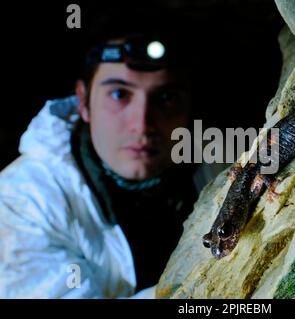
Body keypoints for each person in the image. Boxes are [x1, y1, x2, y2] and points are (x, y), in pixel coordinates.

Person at [0, 8, 201, 298]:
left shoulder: (218, 167)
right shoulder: (23, 201)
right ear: (83, 102)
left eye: (166, 98)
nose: (142, 124)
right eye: (120, 94)